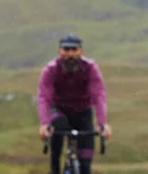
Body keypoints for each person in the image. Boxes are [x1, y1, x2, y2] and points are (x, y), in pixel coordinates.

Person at [36, 33, 112, 174]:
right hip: (59, 110)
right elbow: (43, 97)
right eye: (66, 49)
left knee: (85, 165)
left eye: (74, 49)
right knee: (57, 127)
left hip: (83, 113)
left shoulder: (90, 68)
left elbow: (99, 94)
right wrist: (45, 124)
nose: (70, 53)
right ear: (60, 51)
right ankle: (54, 168)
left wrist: (102, 123)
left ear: (80, 51)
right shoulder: (50, 70)